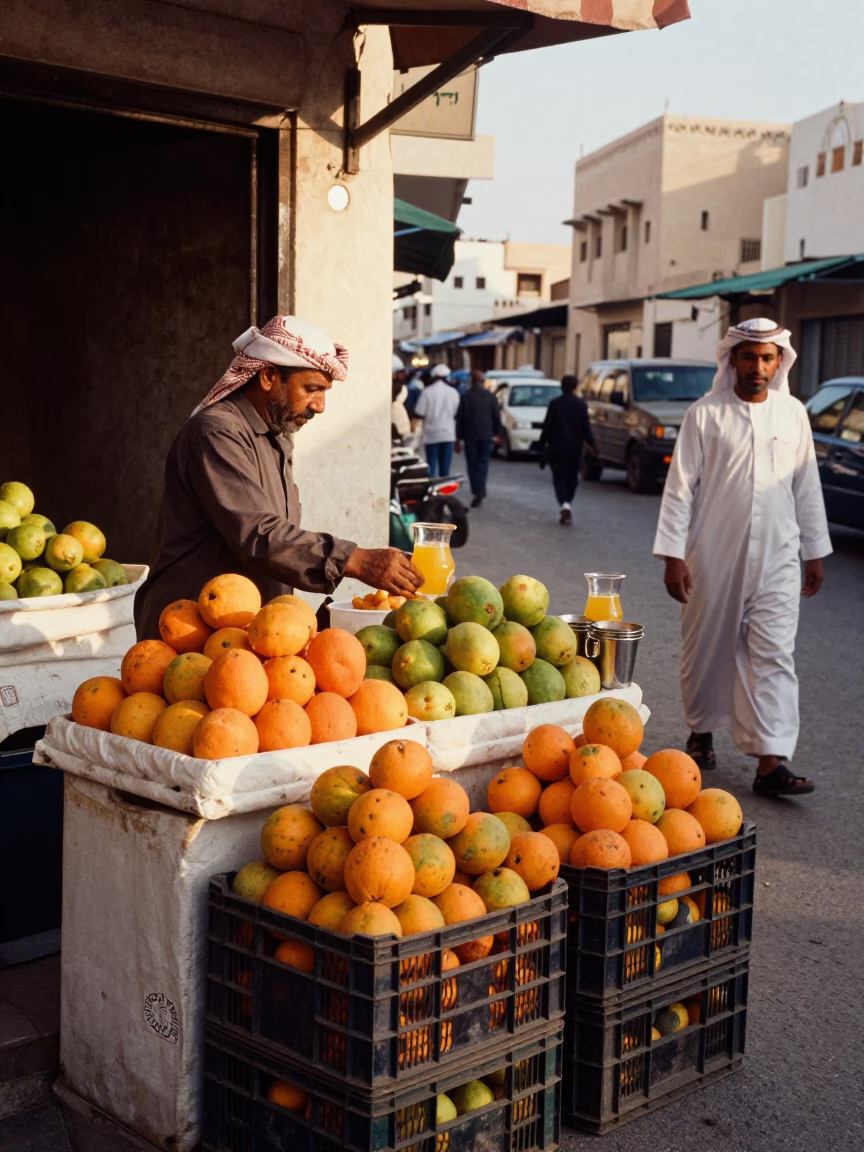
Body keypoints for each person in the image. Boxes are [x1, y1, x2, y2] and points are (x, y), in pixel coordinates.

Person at [134, 315, 423, 639]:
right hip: (190, 631)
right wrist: (354, 560)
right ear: (269, 376)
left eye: (325, 391)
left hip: (248, 633)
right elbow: (259, 534)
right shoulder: (217, 433)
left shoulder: (273, 440)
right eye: (312, 389)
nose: (320, 406)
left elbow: (277, 538)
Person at [653, 318, 832, 797]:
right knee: (708, 648)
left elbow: (806, 486)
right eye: (749, 356)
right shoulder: (704, 414)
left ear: (779, 362)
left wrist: (814, 551)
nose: (758, 366)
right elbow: (679, 490)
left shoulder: (793, 414)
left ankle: (770, 761)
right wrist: (673, 554)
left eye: (767, 357)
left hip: (778, 555)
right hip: (713, 553)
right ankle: (701, 730)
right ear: (732, 359)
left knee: (774, 654)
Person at [537, 374, 595, 525]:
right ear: (575, 387)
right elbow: (586, 428)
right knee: (571, 478)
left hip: (556, 447)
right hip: (575, 449)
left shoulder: (555, 404)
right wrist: (592, 445)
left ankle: (564, 504)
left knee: (559, 478)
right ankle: (567, 503)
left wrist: (541, 445)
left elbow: (547, 427)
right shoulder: (581, 405)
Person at [455, 370, 503, 507]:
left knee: (472, 465)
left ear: (471, 381)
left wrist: (458, 438)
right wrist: (498, 434)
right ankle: (480, 490)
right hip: (486, 435)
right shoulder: (490, 397)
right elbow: (496, 416)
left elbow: (460, 419)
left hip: (471, 436)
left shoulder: (466, 397)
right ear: (482, 381)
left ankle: (478, 490)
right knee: (483, 464)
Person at [413, 363, 460, 478]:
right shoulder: (454, 393)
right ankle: (444, 493)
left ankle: (432, 493)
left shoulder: (427, 392)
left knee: (432, 467)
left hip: (431, 435)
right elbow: (457, 412)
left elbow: (419, 412)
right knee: (445, 470)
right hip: (448, 434)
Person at [391, 354, 411, 441]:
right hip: (398, 424)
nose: (404, 375)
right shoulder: (402, 388)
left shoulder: (401, 387)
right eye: (401, 373)